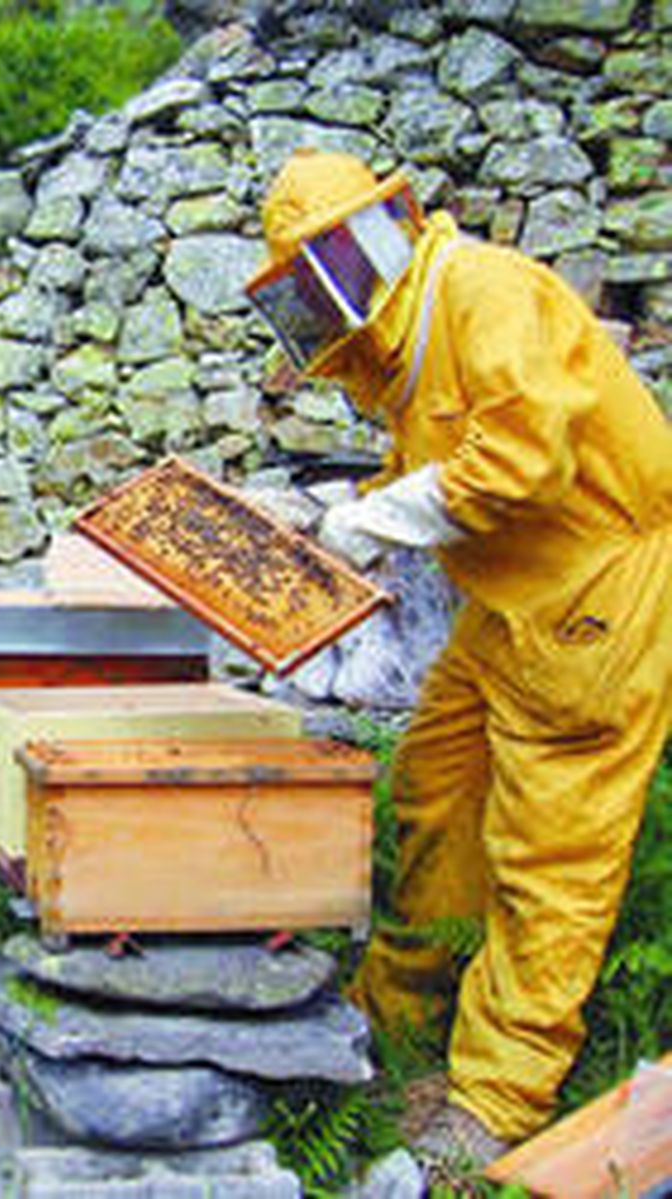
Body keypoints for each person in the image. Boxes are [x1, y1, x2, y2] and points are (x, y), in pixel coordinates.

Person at [244, 148, 672, 1165]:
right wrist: (341, 518)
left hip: (596, 600)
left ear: (366, 238)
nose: (318, 301)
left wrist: (371, 519)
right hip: (508, 602)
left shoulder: (480, 290)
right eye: (301, 288)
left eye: (321, 274)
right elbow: (424, 469)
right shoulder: (407, 346)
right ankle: (394, 1021)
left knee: (550, 856)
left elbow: (523, 457)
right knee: (435, 787)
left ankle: (491, 1099)